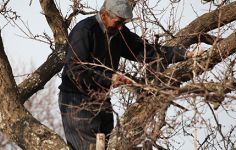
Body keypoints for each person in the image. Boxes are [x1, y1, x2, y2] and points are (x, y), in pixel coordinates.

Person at [58, 0, 195, 149]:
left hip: (102, 99)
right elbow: (75, 69)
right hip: (76, 101)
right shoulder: (84, 30)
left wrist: (183, 53)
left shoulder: (119, 32)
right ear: (104, 15)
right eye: (118, 22)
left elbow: (146, 51)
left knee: (111, 145)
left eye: (123, 23)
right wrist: (109, 78)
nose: (121, 27)